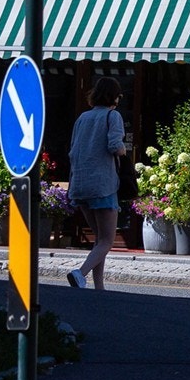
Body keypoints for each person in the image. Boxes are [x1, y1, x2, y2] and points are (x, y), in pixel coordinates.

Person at [65, 76, 126, 290]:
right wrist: (124, 150)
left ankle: (99, 287)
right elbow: (114, 146)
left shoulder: (82, 118)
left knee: (99, 240)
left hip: (81, 184)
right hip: (103, 185)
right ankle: (80, 273)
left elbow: (73, 149)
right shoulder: (113, 116)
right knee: (107, 240)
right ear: (114, 96)